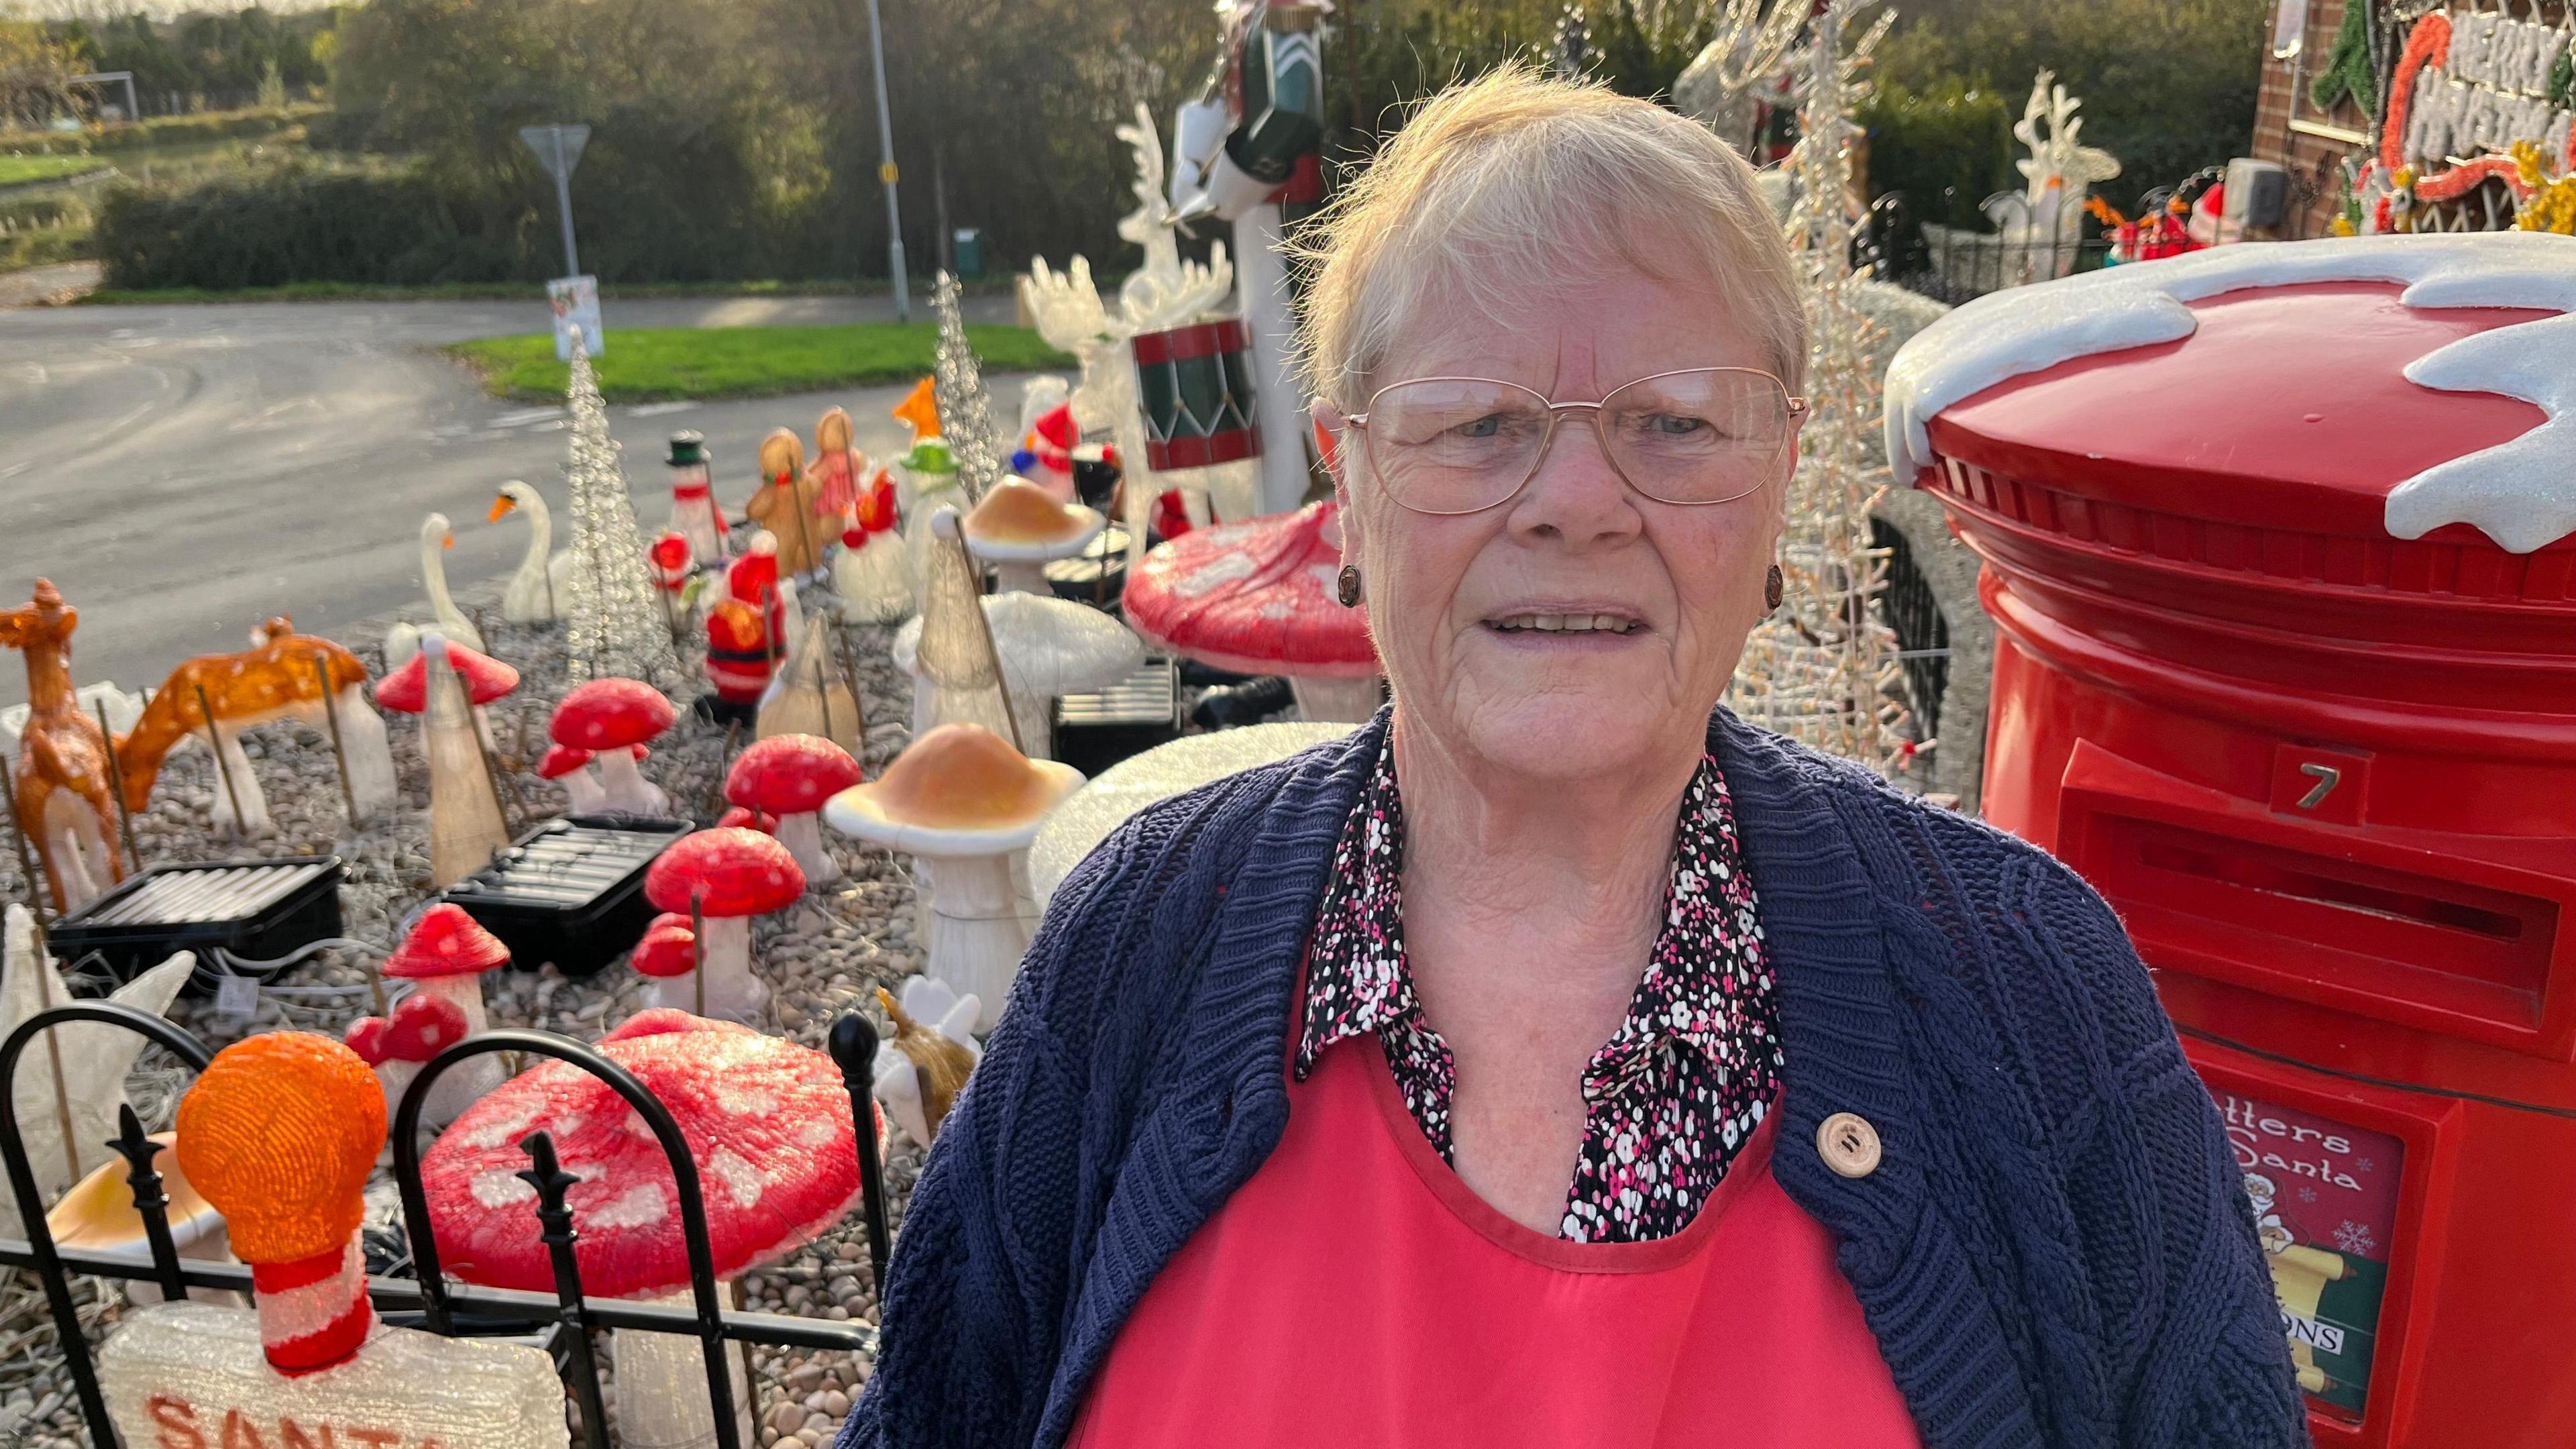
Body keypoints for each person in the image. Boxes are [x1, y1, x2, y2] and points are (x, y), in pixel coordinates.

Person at [843, 68, 2306, 1449]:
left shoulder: (2030, 992)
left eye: (1675, 423)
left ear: (1779, 487)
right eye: (1478, 424)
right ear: (1347, 497)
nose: (1579, 502)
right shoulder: (1141, 949)